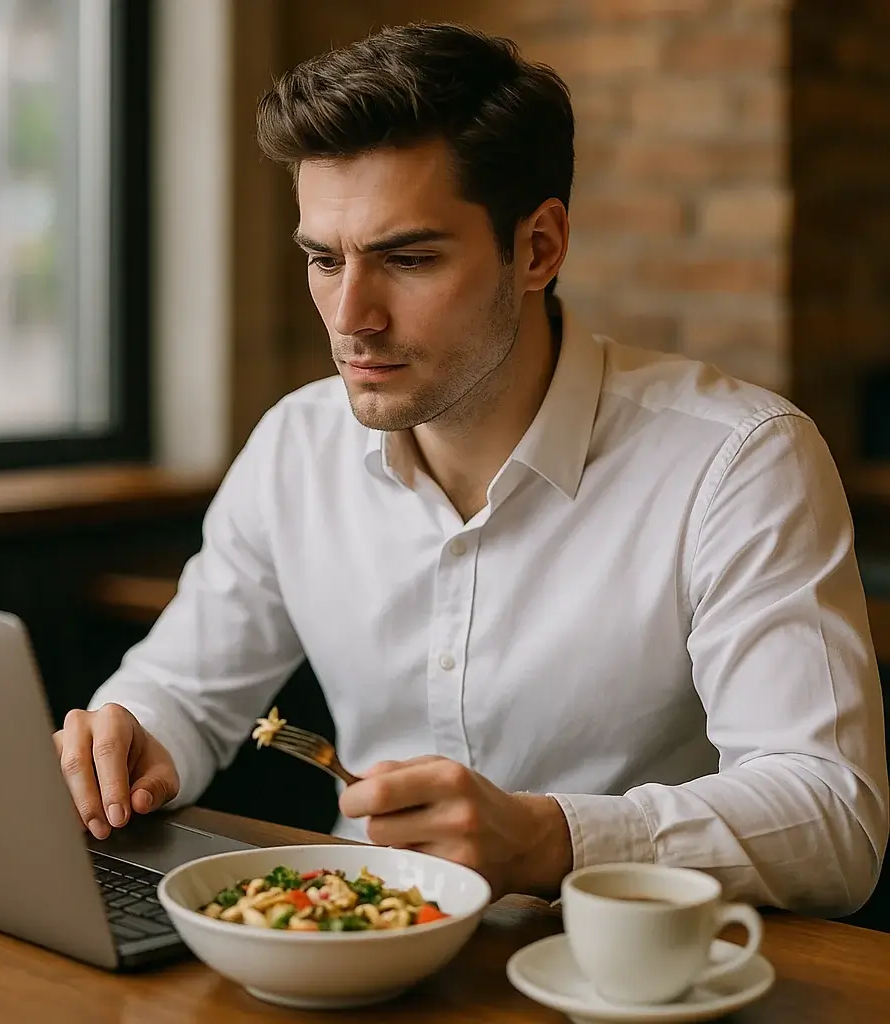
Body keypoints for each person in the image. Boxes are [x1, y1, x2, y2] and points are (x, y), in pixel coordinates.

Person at [55, 22, 888, 913]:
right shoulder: (297, 444)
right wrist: (130, 738)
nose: (351, 317)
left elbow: (832, 818)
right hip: (352, 955)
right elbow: (183, 686)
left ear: (537, 249)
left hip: (620, 976)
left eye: (407, 259)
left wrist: (550, 838)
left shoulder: (737, 460)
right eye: (323, 259)